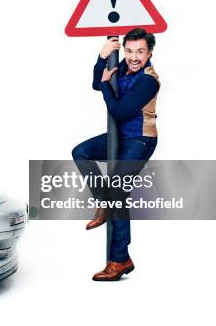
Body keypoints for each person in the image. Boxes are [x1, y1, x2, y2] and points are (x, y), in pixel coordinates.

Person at [71, 27, 160, 281]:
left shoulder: (148, 80)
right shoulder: (123, 66)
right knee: (81, 152)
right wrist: (102, 56)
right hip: (120, 136)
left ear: (150, 52)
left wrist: (105, 85)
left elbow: (119, 111)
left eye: (140, 52)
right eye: (129, 51)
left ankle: (120, 259)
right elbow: (96, 83)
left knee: (118, 189)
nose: (133, 57)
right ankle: (103, 202)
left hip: (140, 140)